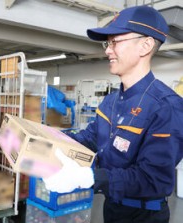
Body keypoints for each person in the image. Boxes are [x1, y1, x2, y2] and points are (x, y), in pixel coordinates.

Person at [43, 5, 183, 223]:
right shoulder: (110, 100)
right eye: (107, 43)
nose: (108, 50)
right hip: (112, 207)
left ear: (145, 45)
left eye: (115, 42)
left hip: (144, 216)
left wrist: (90, 177)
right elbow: (89, 138)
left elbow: (153, 179)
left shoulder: (166, 107)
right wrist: (48, 138)